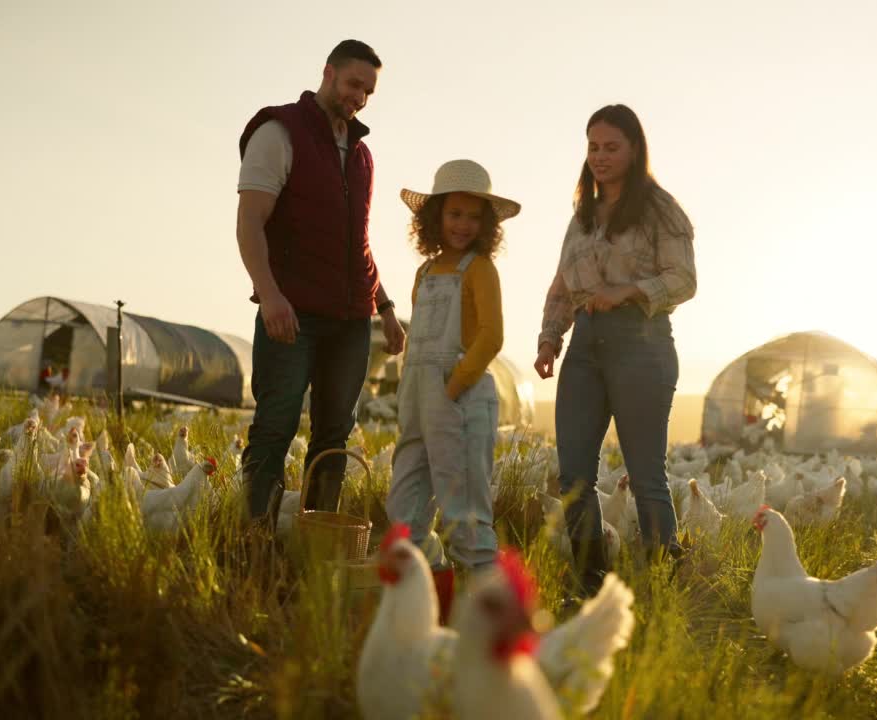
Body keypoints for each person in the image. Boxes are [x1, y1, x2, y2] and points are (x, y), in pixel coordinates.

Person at [235, 40, 406, 527]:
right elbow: (250, 222)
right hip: (293, 313)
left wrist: (386, 306)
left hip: (350, 320)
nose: (360, 98)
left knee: (334, 435)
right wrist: (270, 295)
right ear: (328, 73)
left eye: (369, 91)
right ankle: (257, 538)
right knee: (276, 426)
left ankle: (319, 537)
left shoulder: (362, 155)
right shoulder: (279, 131)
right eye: (354, 84)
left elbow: (358, 244)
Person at [534, 104, 697, 597]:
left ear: (634, 150)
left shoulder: (659, 209)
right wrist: (549, 336)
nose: (600, 157)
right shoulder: (581, 216)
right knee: (574, 475)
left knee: (646, 473)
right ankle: (590, 580)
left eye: (611, 147)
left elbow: (684, 279)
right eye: (592, 147)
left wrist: (628, 291)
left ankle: (661, 582)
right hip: (584, 346)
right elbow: (563, 283)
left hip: (640, 344)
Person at [386, 159, 519, 623]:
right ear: (434, 218)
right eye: (453, 214)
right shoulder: (424, 273)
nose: (462, 224)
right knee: (403, 512)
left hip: (458, 396)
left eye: (472, 216)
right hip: (417, 398)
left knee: (464, 510)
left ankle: (495, 619)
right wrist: (417, 391)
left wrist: (454, 383)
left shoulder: (479, 269)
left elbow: (491, 336)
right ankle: (434, 591)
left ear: (485, 225)